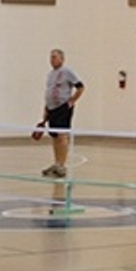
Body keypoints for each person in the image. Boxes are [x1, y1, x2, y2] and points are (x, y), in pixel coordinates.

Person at [40, 49, 85, 178]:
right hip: (51, 108)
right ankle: (56, 163)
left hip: (63, 108)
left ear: (61, 59)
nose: (51, 60)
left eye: (54, 57)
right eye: (50, 57)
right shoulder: (50, 74)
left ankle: (62, 166)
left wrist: (72, 100)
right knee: (54, 136)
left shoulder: (67, 72)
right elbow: (49, 92)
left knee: (62, 136)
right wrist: (46, 110)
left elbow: (80, 87)